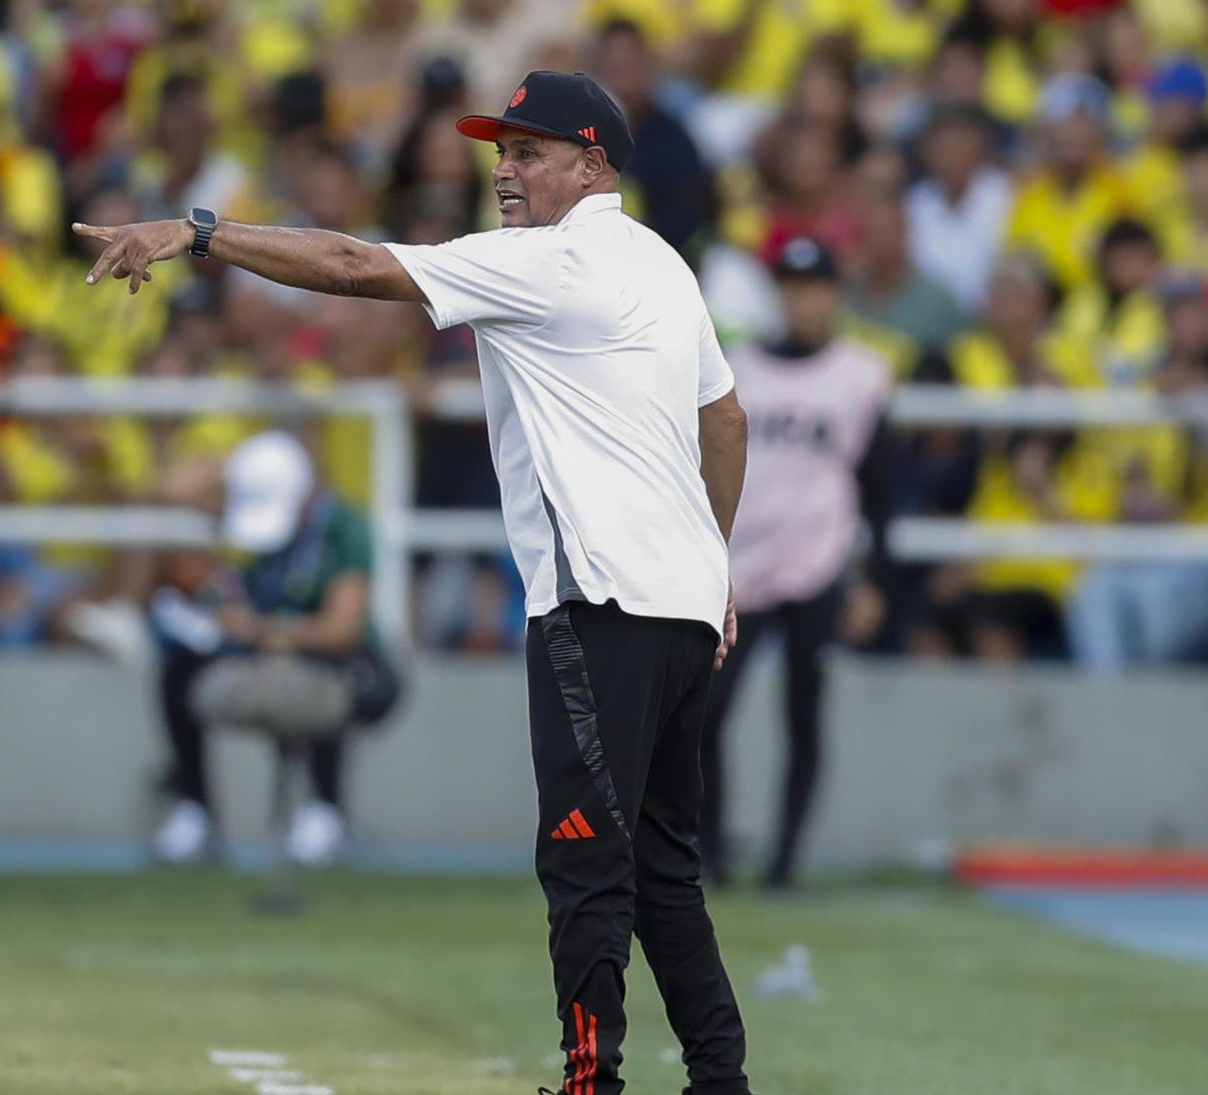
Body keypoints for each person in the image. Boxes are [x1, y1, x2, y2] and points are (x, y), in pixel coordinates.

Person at [78, 70, 753, 1095]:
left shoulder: (550, 262)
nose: (505, 171)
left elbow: (353, 264)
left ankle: (590, 1084)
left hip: (598, 602)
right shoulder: (662, 263)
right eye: (501, 152)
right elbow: (727, 418)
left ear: (593, 163)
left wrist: (200, 232)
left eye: (529, 152)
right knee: (663, 869)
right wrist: (716, 560)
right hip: (680, 605)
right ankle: (720, 1081)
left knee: (583, 866)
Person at [701, 236, 894, 891]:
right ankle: (712, 854)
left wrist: (871, 580)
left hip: (817, 561)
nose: (803, 300)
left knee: (802, 711)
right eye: (791, 286)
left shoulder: (860, 374)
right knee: (708, 711)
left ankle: (783, 859)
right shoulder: (735, 367)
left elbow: (878, 487)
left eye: (814, 287)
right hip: (741, 563)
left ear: (833, 294)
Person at [150, 431, 395, 866]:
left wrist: (265, 633)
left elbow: (343, 629)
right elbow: (168, 489)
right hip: (256, 641)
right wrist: (227, 465)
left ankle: (325, 810)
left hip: (338, 661)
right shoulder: (239, 508)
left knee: (314, 676)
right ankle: (195, 808)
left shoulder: (343, 527)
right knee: (178, 669)